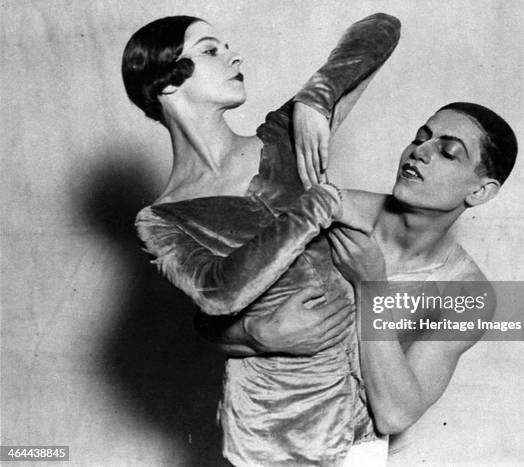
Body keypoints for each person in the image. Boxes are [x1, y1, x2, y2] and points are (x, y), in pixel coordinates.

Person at [122, 13, 401, 466]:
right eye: (210, 49)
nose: (233, 55)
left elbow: (381, 29)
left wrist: (318, 94)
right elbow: (219, 291)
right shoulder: (160, 220)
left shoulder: (284, 135)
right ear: (167, 83)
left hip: (358, 414)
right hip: (271, 433)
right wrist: (317, 205)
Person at [219, 102, 517, 463]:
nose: (420, 152)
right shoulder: (330, 212)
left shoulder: (466, 293)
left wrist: (371, 286)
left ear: (480, 192)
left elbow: (395, 414)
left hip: (353, 452)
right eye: (421, 138)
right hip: (259, 435)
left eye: (448, 152)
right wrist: (255, 333)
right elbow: (208, 321)